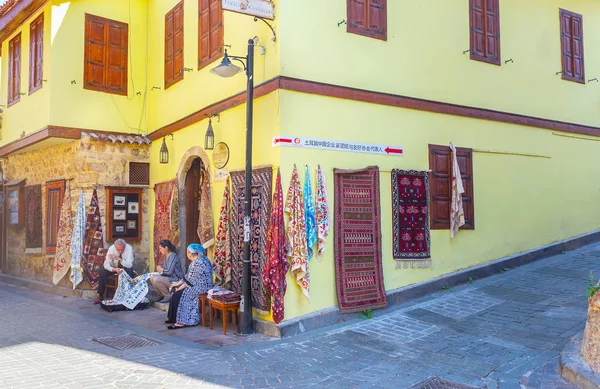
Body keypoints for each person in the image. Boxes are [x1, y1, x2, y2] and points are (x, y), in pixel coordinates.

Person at [165, 243, 213, 329]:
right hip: (196, 284)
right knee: (176, 293)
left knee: (180, 294)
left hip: (202, 286)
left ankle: (182, 321)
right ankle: (173, 318)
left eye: (188, 252)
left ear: (191, 253)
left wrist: (178, 288)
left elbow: (190, 281)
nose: (187, 254)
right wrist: (177, 284)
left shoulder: (199, 262)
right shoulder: (199, 260)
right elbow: (188, 277)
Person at [94, 239, 135, 305]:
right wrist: (114, 269)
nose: (120, 251)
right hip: (115, 268)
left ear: (124, 246)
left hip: (125, 267)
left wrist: (119, 259)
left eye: (122, 249)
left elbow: (129, 265)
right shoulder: (111, 249)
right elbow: (106, 264)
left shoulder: (129, 248)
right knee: (102, 272)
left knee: (130, 270)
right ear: (115, 247)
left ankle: (130, 295)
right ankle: (100, 295)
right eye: (118, 249)